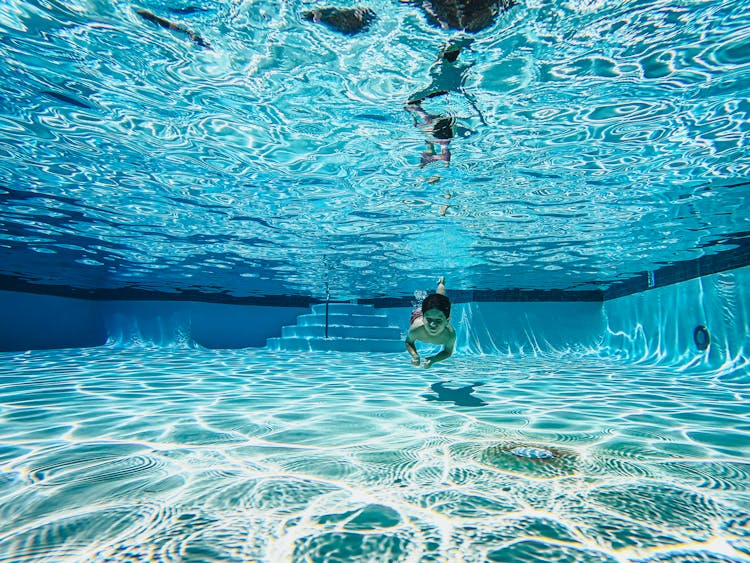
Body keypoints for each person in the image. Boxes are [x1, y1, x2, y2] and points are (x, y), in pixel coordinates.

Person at [405, 276, 456, 368]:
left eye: (439, 320)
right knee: (439, 302)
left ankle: (441, 284)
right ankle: (440, 285)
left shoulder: (450, 335)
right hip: (419, 315)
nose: (433, 325)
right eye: (428, 320)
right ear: (423, 318)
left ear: (447, 321)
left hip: (433, 315)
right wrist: (414, 355)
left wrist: (434, 359)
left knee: (441, 299)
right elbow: (409, 342)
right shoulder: (416, 329)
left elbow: (448, 352)